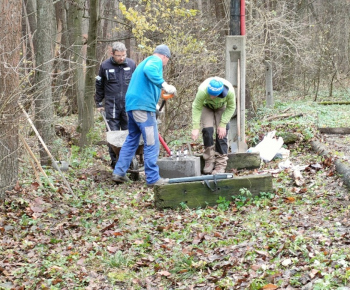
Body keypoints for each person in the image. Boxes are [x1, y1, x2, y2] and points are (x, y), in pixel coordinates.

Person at [112, 44, 176, 187]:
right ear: (165, 56)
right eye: (167, 60)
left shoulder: (144, 62)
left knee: (132, 139)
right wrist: (165, 85)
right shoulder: (155, 61)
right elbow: (150, 71)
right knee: (152, 142)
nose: (165, 63)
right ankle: (153, 178)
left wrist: (154, 105)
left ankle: (119, 172)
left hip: (133, 105)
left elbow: (143, 85)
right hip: (142, 108)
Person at [95, 42, 136, 169]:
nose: (121, 58)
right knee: (112, 135)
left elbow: (137, 84)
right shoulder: (105, 66)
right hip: (111, 105)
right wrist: (98, 103)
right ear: (112, 54)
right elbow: (99, 85)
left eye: (123, 55)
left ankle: (129, 161)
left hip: (128, 105)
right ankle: (115, 162)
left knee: (129, 133)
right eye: (118, 55)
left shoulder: (131, 64)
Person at [191, 77, 236, 175]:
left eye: (214, 95)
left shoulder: (229, 91)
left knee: (222, 133)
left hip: (221, 107)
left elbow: (231, 106)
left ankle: (221, 163)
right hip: (206, 107)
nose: (211, 96)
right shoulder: (203, 90)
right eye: (210, 94)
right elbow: (196, 107)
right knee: (207, 131)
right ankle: (209, 160)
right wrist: (195, 127)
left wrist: (223, 124)